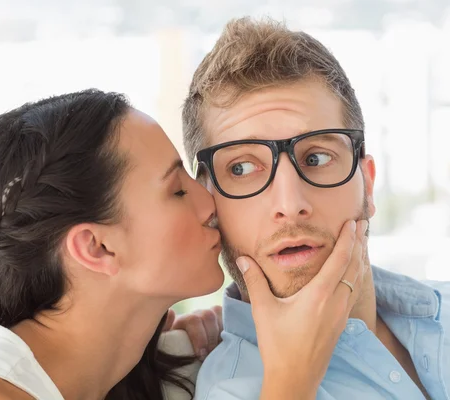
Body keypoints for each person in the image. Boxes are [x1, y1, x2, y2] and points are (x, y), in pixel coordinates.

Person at [0, 89, 365, 400]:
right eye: (177, 190)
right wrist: (291, 377)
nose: (210, 202)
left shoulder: (144, 375)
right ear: (97, 248)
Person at [183, 17, 450, 400]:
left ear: (368, 184)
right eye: (241, 168)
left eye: (317, 158)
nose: (291, 206)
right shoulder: (235, 390)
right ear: (210, 206)